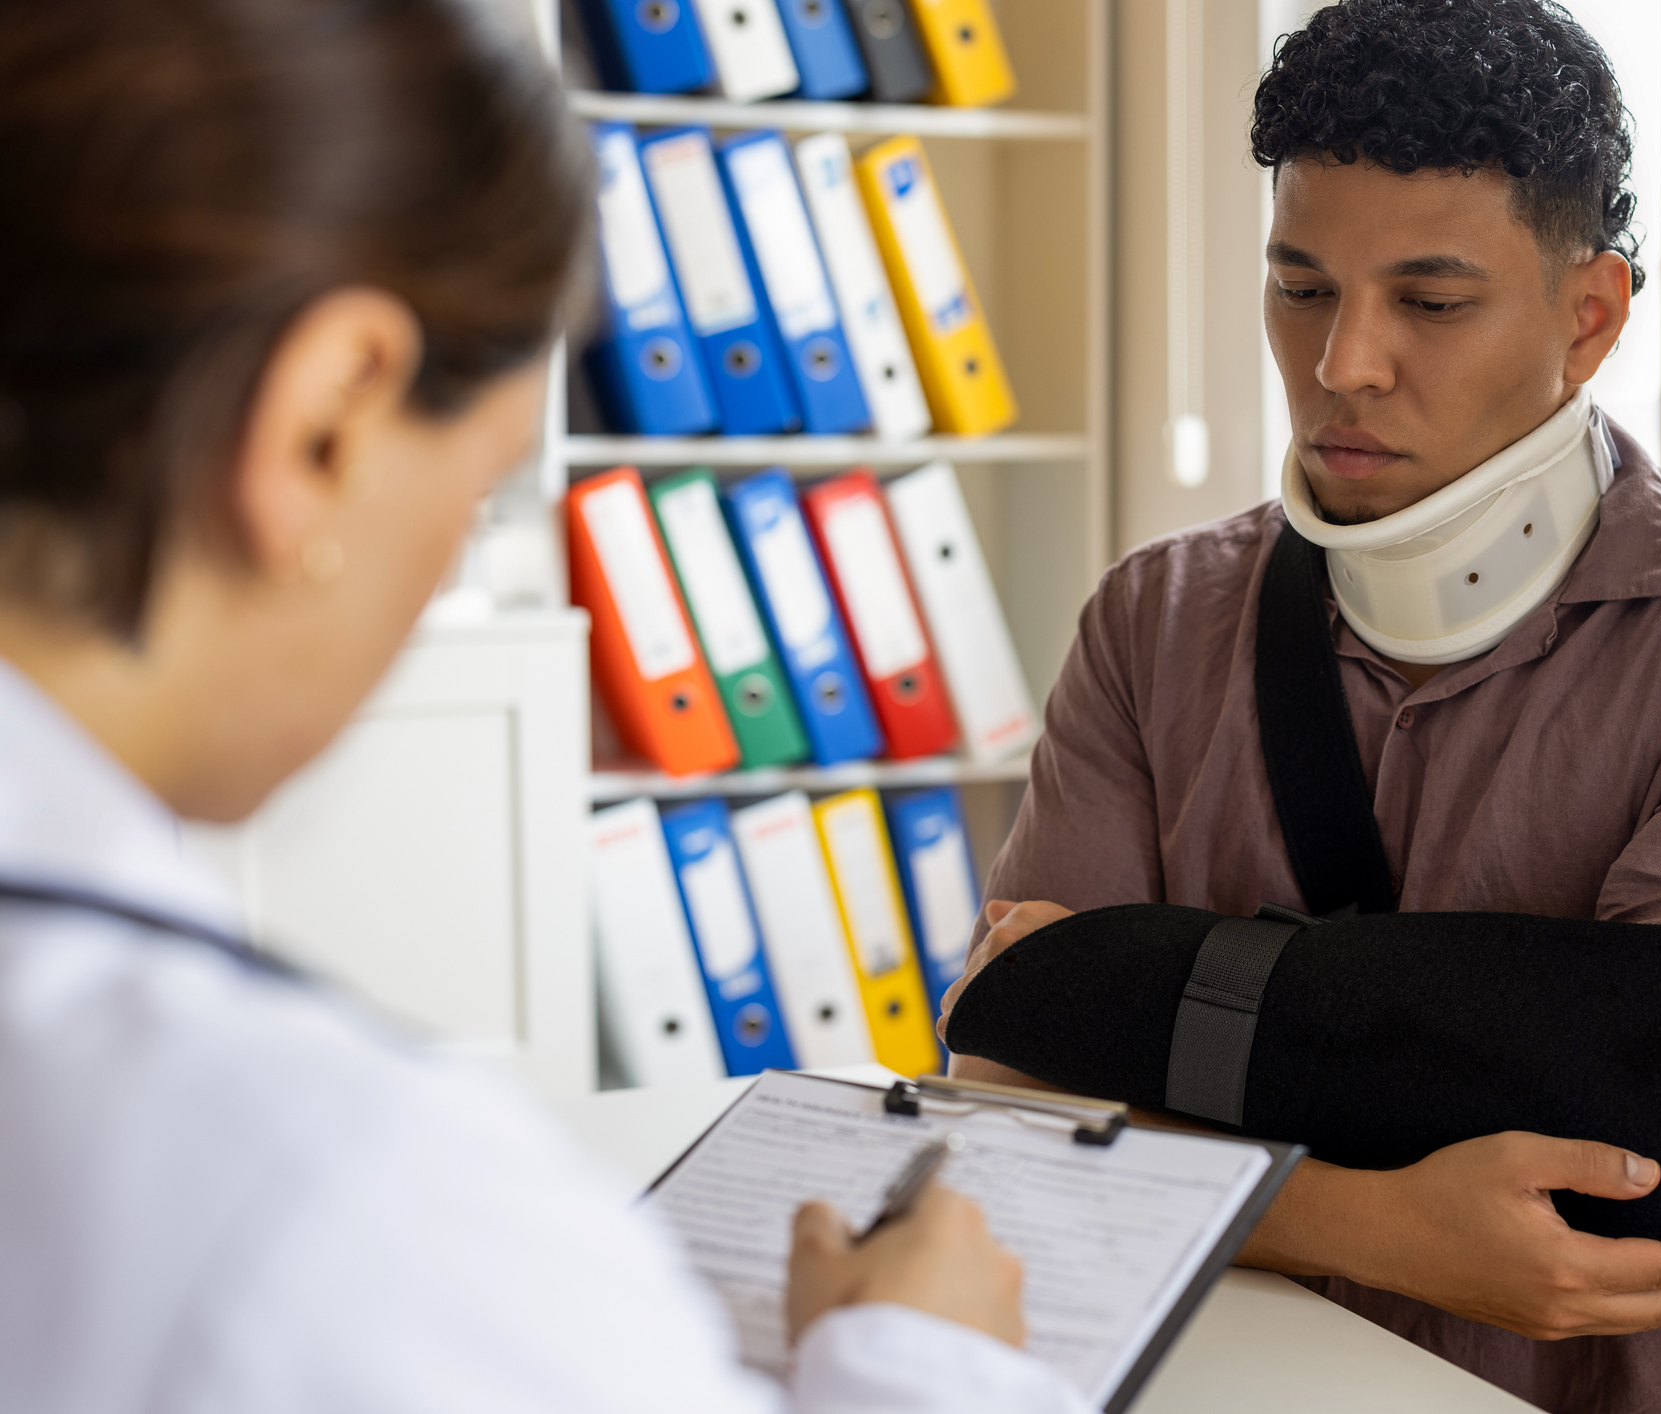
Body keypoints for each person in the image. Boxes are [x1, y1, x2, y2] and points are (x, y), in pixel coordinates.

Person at [0, 3, 1091, 1411]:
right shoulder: (332, 1202)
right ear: (324, 423)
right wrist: (917, 1362)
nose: (449, 558)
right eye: (484, 480)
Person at [939, 2, 1661, 1412]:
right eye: (1300, 288)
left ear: (1588, 317)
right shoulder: (1153, 620)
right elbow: (1015, 1076)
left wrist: (1148, 997)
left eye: (1431, 301)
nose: (1344, 362)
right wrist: (1363, 1220)